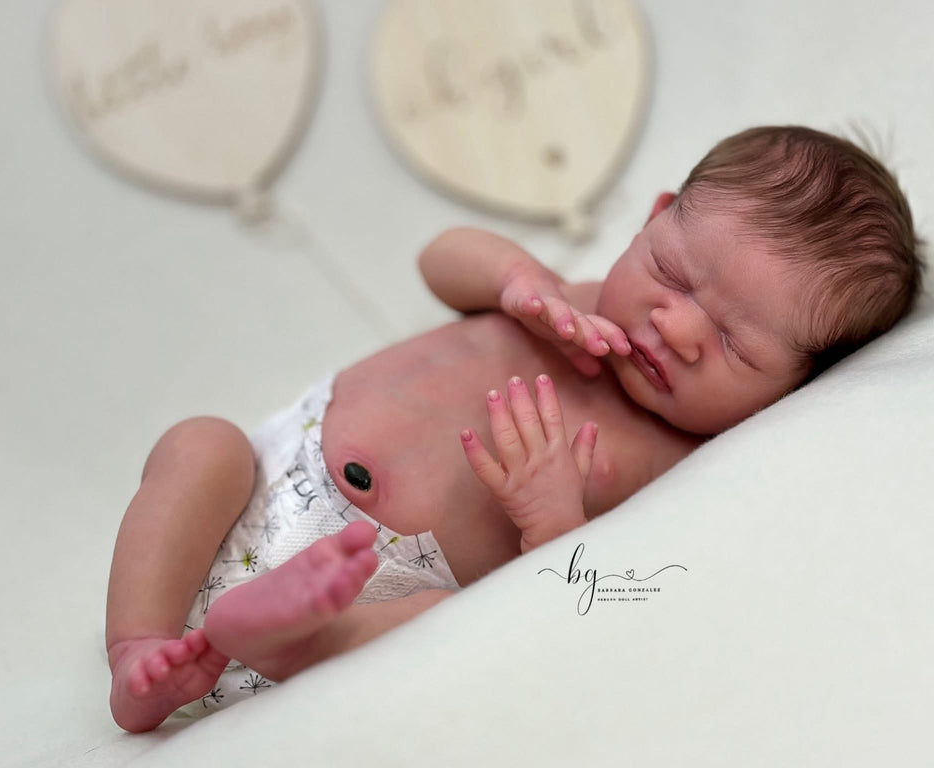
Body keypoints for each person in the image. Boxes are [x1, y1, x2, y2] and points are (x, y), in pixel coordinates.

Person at [105, 126, 923, 732]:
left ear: (792, 392)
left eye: (734, 345)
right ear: (653, 217)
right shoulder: (565, 296)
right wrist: (515, 279)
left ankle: (283, 641)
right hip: (262, 481)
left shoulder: (671, 461)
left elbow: (569, 586)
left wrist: (551, 514)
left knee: (433, 617)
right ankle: (139, 647)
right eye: (672, 273)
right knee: (201, 444)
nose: (675, 327)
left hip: (365, 585)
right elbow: (438, 258)